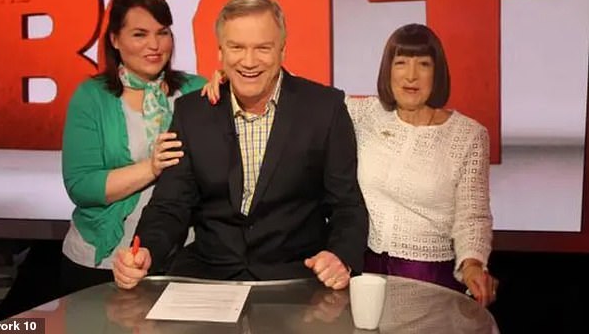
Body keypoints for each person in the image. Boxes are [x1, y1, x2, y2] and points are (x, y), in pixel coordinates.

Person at [202, 23, 497, 306]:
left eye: (423, 65)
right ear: (387, 70)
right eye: (401, 63)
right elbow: (300, 93)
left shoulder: (468, 135)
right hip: (362, 274)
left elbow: (473, 216)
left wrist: (472, 264)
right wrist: (239, 77)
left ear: (438, 72)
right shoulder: (363, 113)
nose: (411, 76)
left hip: (429, 277)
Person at [112, 0, 368, 290]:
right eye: (236, 47)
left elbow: (347, 205)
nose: (249, 61)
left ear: (282, 51)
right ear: (220, 52)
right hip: (208, 279)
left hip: (295, 283)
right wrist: (146, 252)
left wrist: (341, 257)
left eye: (263, 48)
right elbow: (170, 205)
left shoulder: (325, 108)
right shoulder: (193, 112)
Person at [60, 0, 206, 295]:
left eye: (162, 32)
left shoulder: (198, 90)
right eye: (140, 34)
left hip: (185, 259)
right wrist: (151, 168)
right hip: (105, 262)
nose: (155, 45)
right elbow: (81, 186)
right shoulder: (91, 97)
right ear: (115, 39)